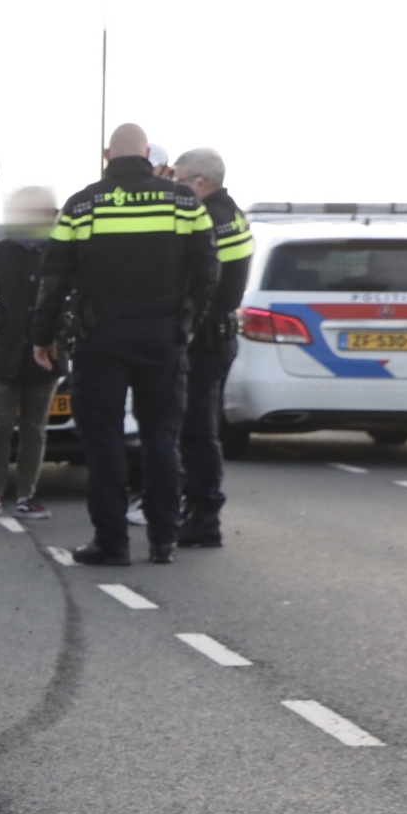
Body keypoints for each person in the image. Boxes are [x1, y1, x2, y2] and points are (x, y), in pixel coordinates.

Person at [31, 123, 220, 565]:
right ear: (150, 157)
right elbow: (208, 269)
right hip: (163, 338)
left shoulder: (82, 204)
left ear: (106, 155)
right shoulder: (183, 201)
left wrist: (43, 336)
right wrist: (187, 322)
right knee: (161, 440)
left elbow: (53, 277)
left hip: (101, 339)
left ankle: (111, 542)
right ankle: (163, 540)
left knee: (103, 441)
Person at [173, 146, 251, 547]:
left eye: (178, 179)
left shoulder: (209, 218)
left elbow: (194, 278)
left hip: (205, 339)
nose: (173, 186)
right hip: (216, 336)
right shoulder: (229, 211)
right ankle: (197, 508)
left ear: (199, 182)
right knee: (198, 429)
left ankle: (204, 516)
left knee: (197, 430)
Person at [0, 185, 61, 519]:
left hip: (47, 355)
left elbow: (72, 294)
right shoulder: (2, 251)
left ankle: (26, 496)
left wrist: (59, 331)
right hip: (5, 354)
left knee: (35, 429)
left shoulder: (59, 251)